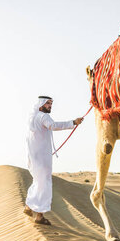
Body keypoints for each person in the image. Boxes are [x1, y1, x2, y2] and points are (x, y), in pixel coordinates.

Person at [24, 96, 83, 225]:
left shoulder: (32, 117)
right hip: (42, 158)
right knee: (45, 184)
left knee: (38, 182)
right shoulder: (43, 116)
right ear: (41, 105)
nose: (50, 106)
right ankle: (39, 216)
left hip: (33, 157)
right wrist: (73, 122)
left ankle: (29, 207)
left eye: (51, 103)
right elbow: (53, 125)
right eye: (48, 103)